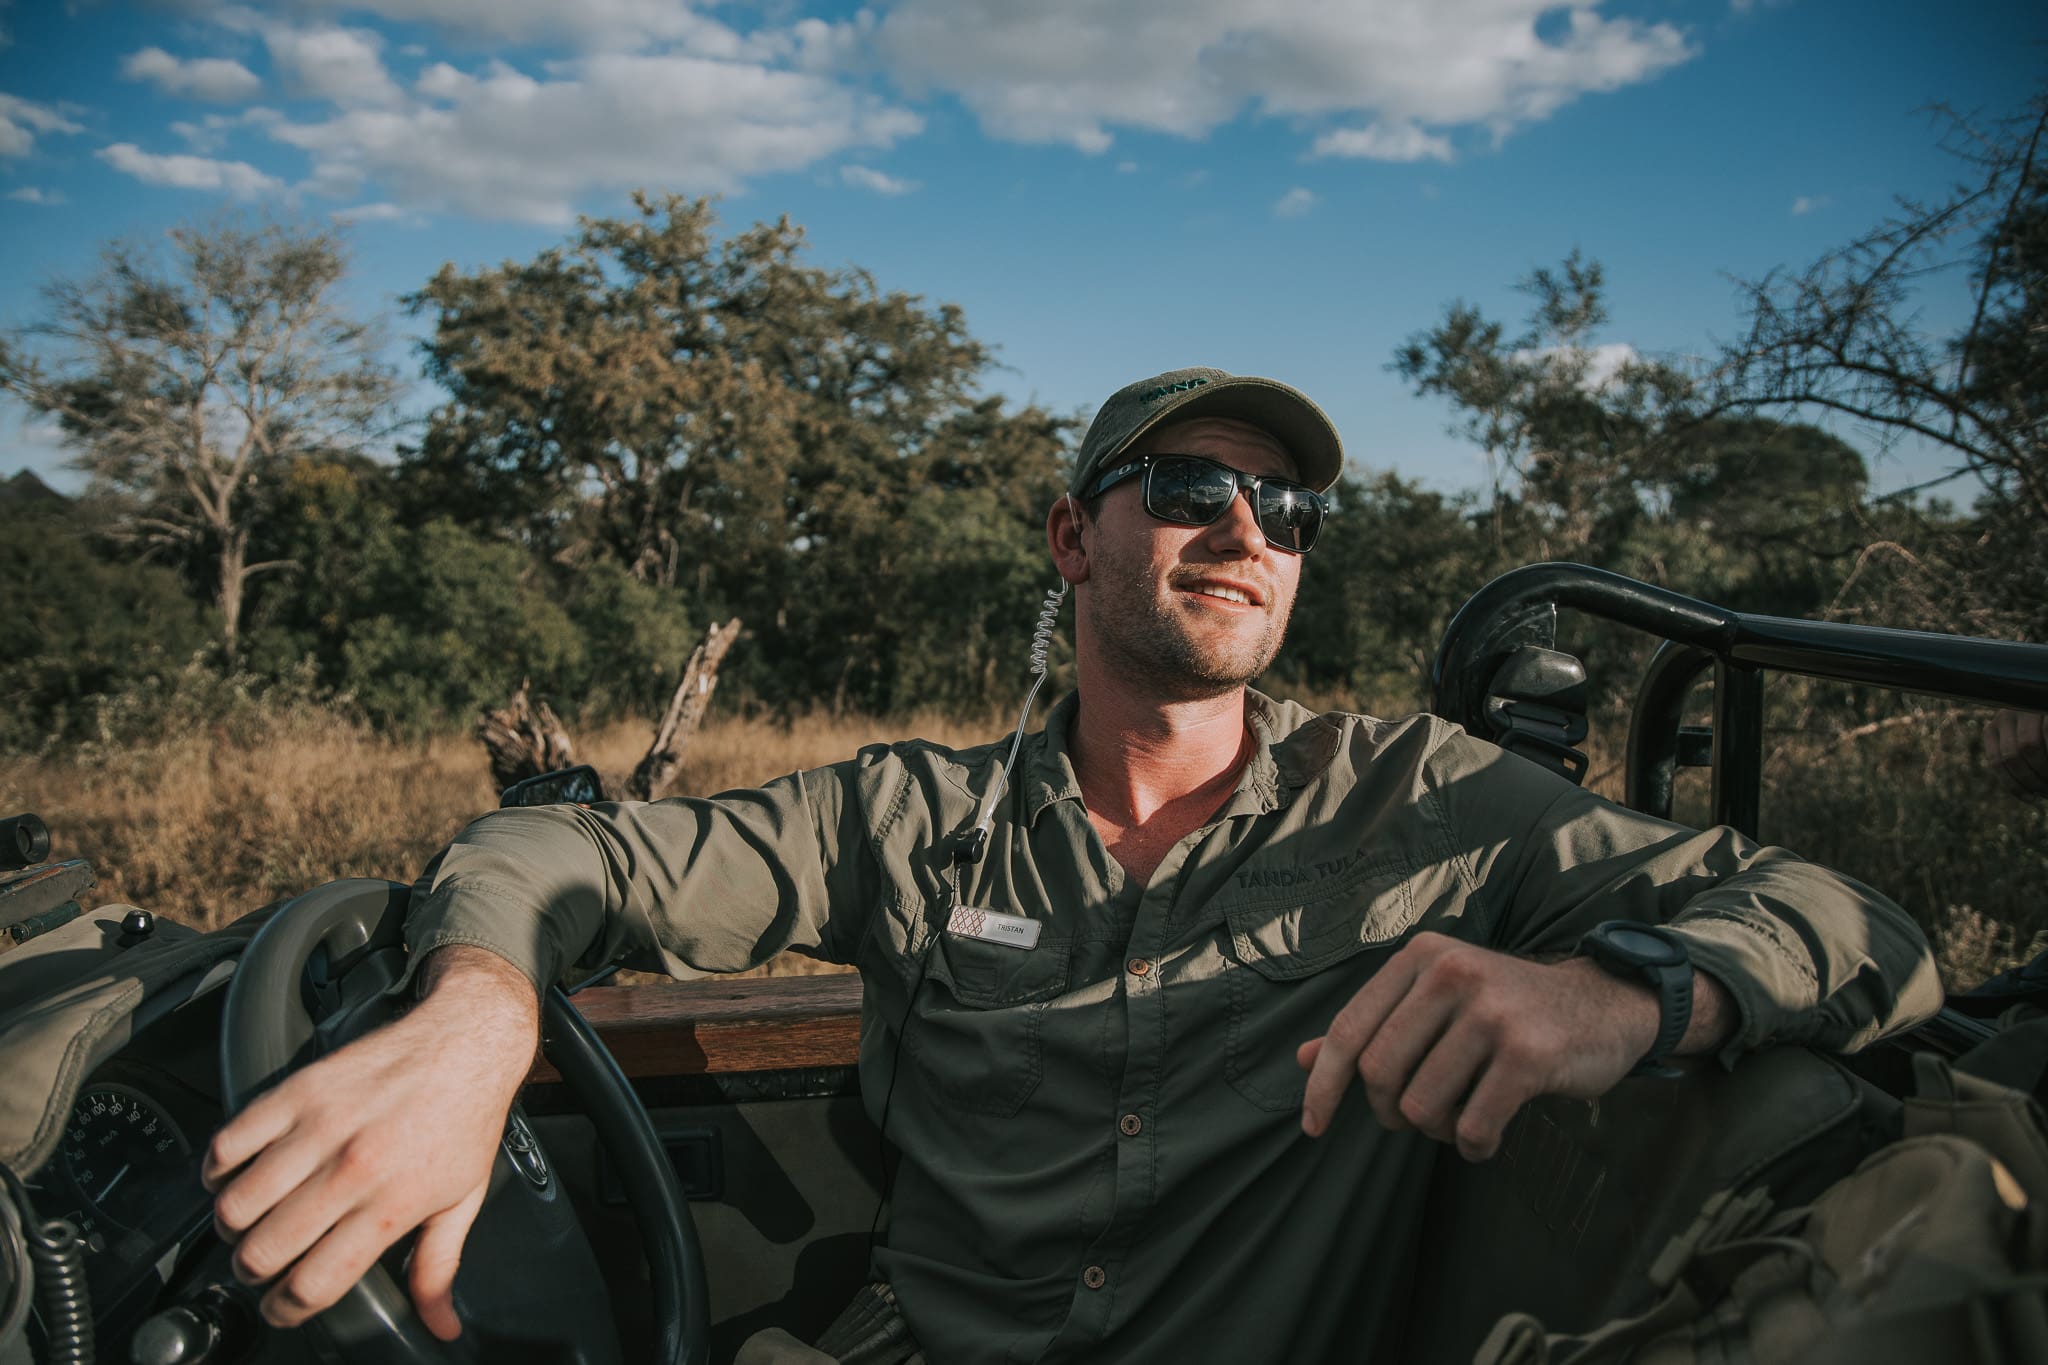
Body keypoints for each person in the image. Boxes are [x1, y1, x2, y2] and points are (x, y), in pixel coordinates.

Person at [203, 367, 1942, 1363]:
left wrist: (1622, 993)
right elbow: (554, 845)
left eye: (1287, 511)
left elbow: (1854, 923)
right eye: (1188, 486)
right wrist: (478, 1014)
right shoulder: (913, 816)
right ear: (1070, 535)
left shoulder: (1427, 804)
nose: (1246, 529)